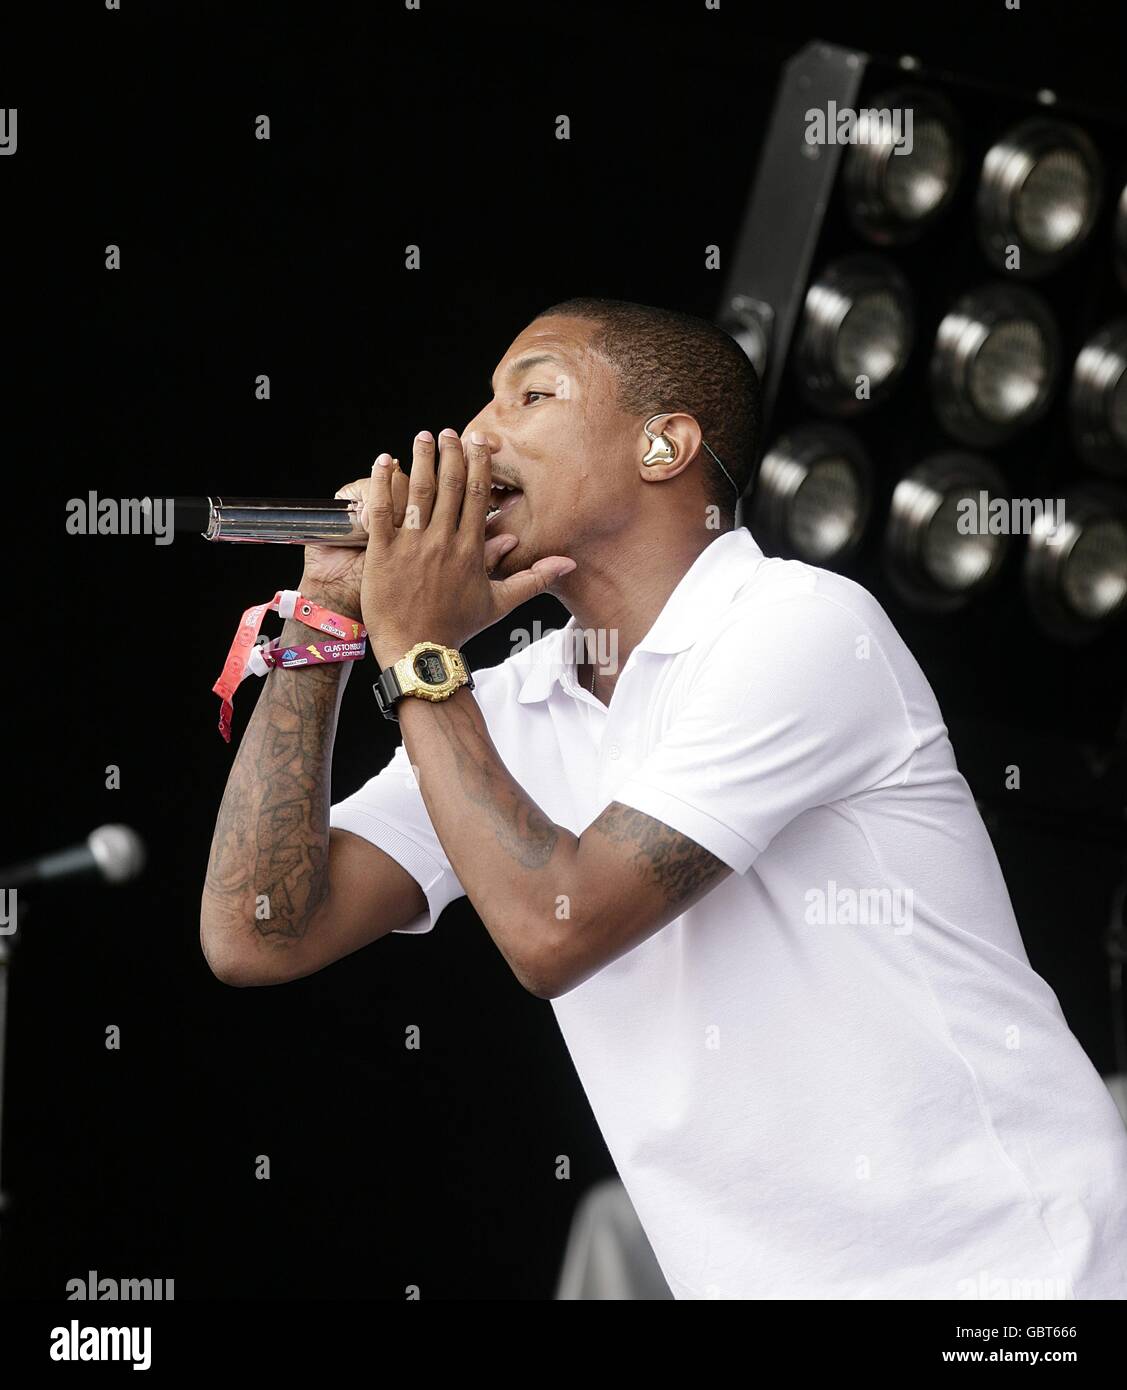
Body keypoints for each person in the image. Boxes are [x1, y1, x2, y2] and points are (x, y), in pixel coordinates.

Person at [200, 296, 1127, 1299]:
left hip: (1022, 1283)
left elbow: (557, 929)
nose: (474, 434)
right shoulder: (506, 707)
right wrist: (329, 626)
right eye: (481, 401)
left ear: (662, 444)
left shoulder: (797, 625)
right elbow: (256, 933)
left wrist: (418, 654)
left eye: (532, 392)